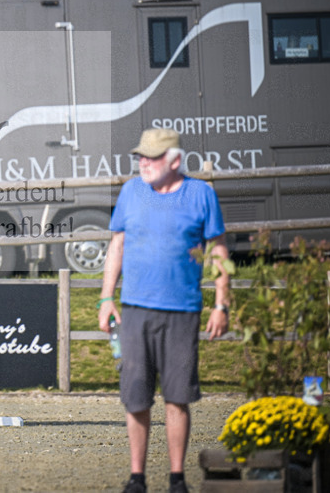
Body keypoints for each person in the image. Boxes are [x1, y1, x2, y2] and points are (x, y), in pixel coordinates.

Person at [97, 128, 231, 493]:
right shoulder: (130, 191)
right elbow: (117, 246)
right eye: (141, 156)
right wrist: (106, 298)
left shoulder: (201, 194)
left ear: (174, 160)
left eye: (151, 157)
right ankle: (136, 478)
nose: (143, 162)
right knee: (136, 397)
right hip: (135, 310)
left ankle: (177, 479)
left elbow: (218, 250)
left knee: (178, 398)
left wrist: (221, 303)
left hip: (182, 311)